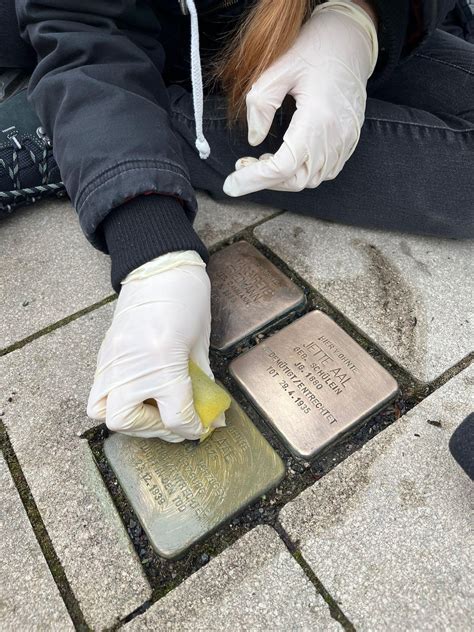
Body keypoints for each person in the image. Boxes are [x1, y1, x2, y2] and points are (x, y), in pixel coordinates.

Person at [1, 0, 473, 442]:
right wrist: (149, 244)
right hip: (132, 42)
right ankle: (86, 133)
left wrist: (360, 21)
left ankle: (99, 133)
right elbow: (81, 25)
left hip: (289, 23)